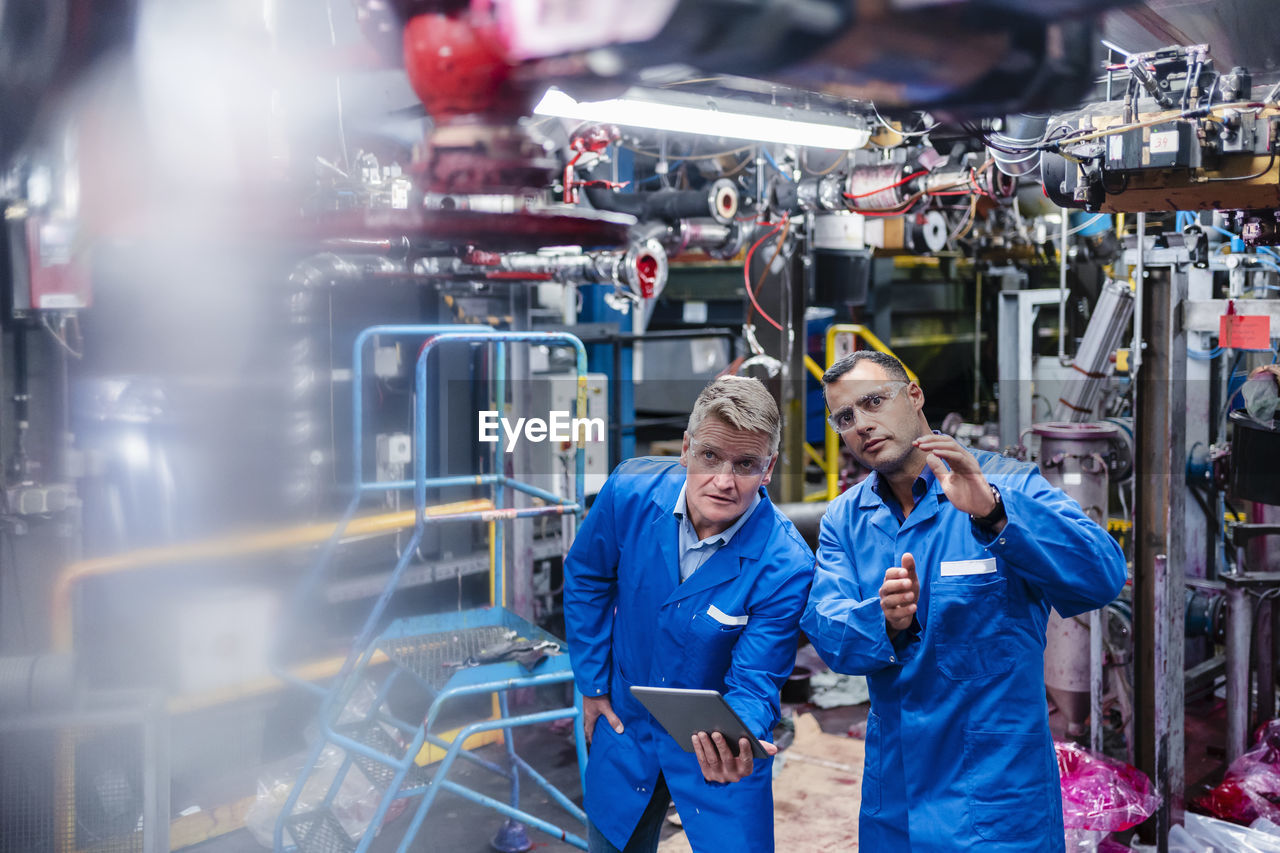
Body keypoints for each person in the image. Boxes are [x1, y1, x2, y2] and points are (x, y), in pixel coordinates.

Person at [801, 351, 1126, 852]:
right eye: (846, 417)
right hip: (897, 800)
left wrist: (995, 512)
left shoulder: (1006, 484)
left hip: (997, 799)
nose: (862, 424)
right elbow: (830, 632)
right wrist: (883, 621)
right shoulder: (846, 520)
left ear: (913, 395)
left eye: (873, 402)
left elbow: (1100, 578)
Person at [564, 375, 815, 853]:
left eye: (745, 464)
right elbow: (587, 575)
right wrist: (592, 684)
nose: (723, 481)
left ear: (769, 469)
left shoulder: (784, 565)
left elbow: (757, 679)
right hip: (626, 722)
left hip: (716, 749)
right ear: (685, 448)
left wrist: (737, 741)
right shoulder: (631, 492)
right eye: (710, 457)